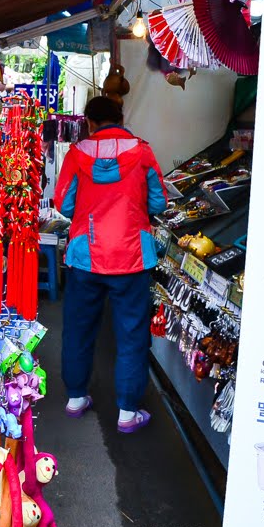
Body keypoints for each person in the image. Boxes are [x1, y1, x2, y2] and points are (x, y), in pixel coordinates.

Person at [54, 96, 167, 434]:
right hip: (132, 257)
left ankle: (76, 398)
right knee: (132, 335)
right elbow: (159, 201)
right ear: (120, 117)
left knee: (77, 328)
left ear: (89, 121)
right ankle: (128, 413)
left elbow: (63, 202)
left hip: (85, 256)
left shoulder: (76, 154)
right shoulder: (143, 151)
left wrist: (90, 216)